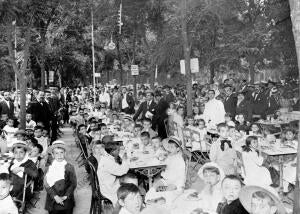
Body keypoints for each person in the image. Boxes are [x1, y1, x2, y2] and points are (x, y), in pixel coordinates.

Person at [44, 140, 77, 214]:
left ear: (65, 153)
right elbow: (46, 184)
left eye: (61, 152)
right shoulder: (49, 168)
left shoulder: (69, 167)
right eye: (56, 153)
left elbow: (73, 184)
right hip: (53, 198)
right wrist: (55, 197)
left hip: (66, 198)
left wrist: (66, 196)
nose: (59, 155)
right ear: (52, 155)